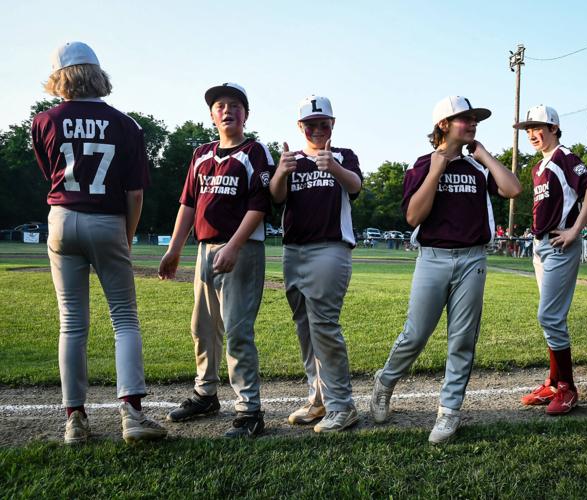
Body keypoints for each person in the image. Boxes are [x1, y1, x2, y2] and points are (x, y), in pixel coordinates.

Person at [31, 41, 167, 444]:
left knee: (71, 323)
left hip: (62, 217)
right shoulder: (126, 125)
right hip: (108, 219)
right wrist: (123, 236)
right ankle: (132, 414)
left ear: (60, 76)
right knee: (124, 319)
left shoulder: (44, 121)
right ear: (97, 74)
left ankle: (75, 419)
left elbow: (50, 175)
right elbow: (135, 194)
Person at [370, 96, 522, 443]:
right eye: (464, 119)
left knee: (462, 339)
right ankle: (385, 381)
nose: (472, 124)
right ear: (443, 125)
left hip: (472, 259)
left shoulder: (477, 167)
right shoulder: (422, 165)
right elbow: (413, 217)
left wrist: (482, 154)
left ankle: (449, 410)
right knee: (415, 334)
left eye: (474, 119)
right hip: (433, 258)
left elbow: (513, 188)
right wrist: (437, 170)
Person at [158, 82, 275, 438]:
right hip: (205, 250)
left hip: (241, 250)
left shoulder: (255, 152)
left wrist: (235, 245)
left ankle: (250, 411)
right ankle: (206, 394)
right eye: (221, 105)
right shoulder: (201, 154)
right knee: (203, 328)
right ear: (211, 115)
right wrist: (176, 248)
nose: (228, 110)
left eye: (236, 105)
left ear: (246, 115)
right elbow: (189, 204)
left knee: (237, 331)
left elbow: (261, 205)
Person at [269, 95, 363, 432]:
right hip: (294, 250)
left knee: (324, 325)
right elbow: (276, 197)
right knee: (305, 327)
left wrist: (333, 167)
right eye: (311, 125)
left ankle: (342, 405)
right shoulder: (290, 159)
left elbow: (356, 186)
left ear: (332, 125)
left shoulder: (343, 156)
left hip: (330, 248)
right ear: (300, 127)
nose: (318, 130)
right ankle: (319, 398)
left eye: (324, 124)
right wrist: (281, 170)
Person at [513, 105, 587, 415]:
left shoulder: (563, 155)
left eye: (537, 127)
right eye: (528, 129)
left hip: (560, 245)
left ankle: (567, 388)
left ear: (553, 127)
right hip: (542, 246)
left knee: (549, 317)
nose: (532, 134)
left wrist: (575, 229)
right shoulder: (539, 166)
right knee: (552, 319)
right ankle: (554, 382)